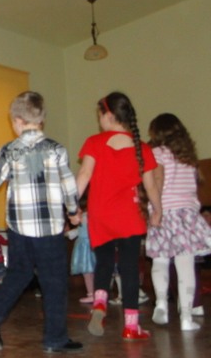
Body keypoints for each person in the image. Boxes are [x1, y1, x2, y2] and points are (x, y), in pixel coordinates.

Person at [0, 91, 82, 353]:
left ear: (17, 121)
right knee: (55, 282)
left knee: (19, 273)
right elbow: (68, 184)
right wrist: (73, 211)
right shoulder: (57, 149)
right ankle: (55, 339)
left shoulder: (9, 150)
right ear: (41, 119)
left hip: (19, 230)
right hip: (49, 229)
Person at [75, 92, 162, 341]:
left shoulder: (94, 142)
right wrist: (158, 210)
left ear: (109, 115)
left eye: (100, 115)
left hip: (100, 214)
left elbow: (84, 175)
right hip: (129, 215)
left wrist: (71, 207)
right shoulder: (142, 148)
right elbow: (151, 186)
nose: (99, 120)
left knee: (103, 262)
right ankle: (131, 327)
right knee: (129, 268)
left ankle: (100, 303)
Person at [145, 113, 211, 331]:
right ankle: (186, 318)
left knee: (160, 260)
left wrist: (157, 209)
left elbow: (158, 180)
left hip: (164, 212)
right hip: (186, 215)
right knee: (185, 266)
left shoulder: (157, 153)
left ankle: (161, 303)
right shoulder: (188, 157)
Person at [66, 192, 96, 304]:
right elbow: (79, 231)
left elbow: (80, 231)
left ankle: (91, 294)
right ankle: (94, 293)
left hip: (85, 247)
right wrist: (69, 234)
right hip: (89, 245)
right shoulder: (87, 216)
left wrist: (68, 234)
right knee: (90, 271)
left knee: (87, 272)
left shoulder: (84, 217)